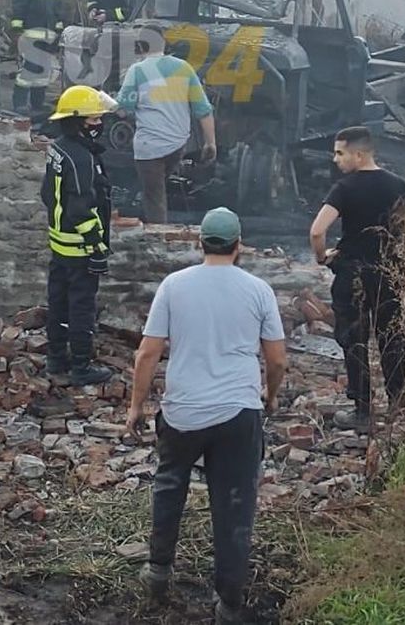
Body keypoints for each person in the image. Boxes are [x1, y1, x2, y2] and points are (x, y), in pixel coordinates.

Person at [128, 207, 286, 624]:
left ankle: (159, 572)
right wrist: (270, 395)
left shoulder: (174, 285)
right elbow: (277, 359)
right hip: (238, 413)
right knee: (234, 505)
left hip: (182, 412)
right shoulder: (258, 290)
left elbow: (147, 352)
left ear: (200, 244)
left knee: (169, 485)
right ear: (239, 245)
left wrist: (136, 405)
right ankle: (229, 603)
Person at [309, 126, 405, 431]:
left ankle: (363, 410)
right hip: (388, 272)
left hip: (353, 274)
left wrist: (322, 257)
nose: (335, 159)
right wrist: (404, 271)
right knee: (392, 338)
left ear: (359, 154)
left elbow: (318, 231)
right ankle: (398, 404)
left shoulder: (344, 189)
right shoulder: (398, 185)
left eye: (340, 153)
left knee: (354, 340)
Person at [42, 84, 120, 387]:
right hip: (79, 250)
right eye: (93, 120)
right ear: (77, 121)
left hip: (59, 243)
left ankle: (56, 358)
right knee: (81, 308)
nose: (99, 125)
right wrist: (96, 248)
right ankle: (81, 367)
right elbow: (81, 208)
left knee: (58, 302)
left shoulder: (58, 147)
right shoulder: (81, 158)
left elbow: (46, 194)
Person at [116, 22, 217, 223]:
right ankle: (143, 212)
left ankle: (157, 236)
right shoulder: (185, 68)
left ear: (141, 47)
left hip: (149, 148)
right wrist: (210, 142)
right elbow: (203, 110)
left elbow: (122, 110)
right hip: (178, 146)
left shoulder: (137, 71)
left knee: (154, 197)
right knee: (155, 185)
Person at [10, 0, 67, 117]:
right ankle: (19, 103)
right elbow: (18, 9)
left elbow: (57, 11)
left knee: (43, 72)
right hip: (30, 37)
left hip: (49, 38)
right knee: (29, 71)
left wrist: (58, 32)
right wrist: (17, 31)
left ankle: (37, 103)